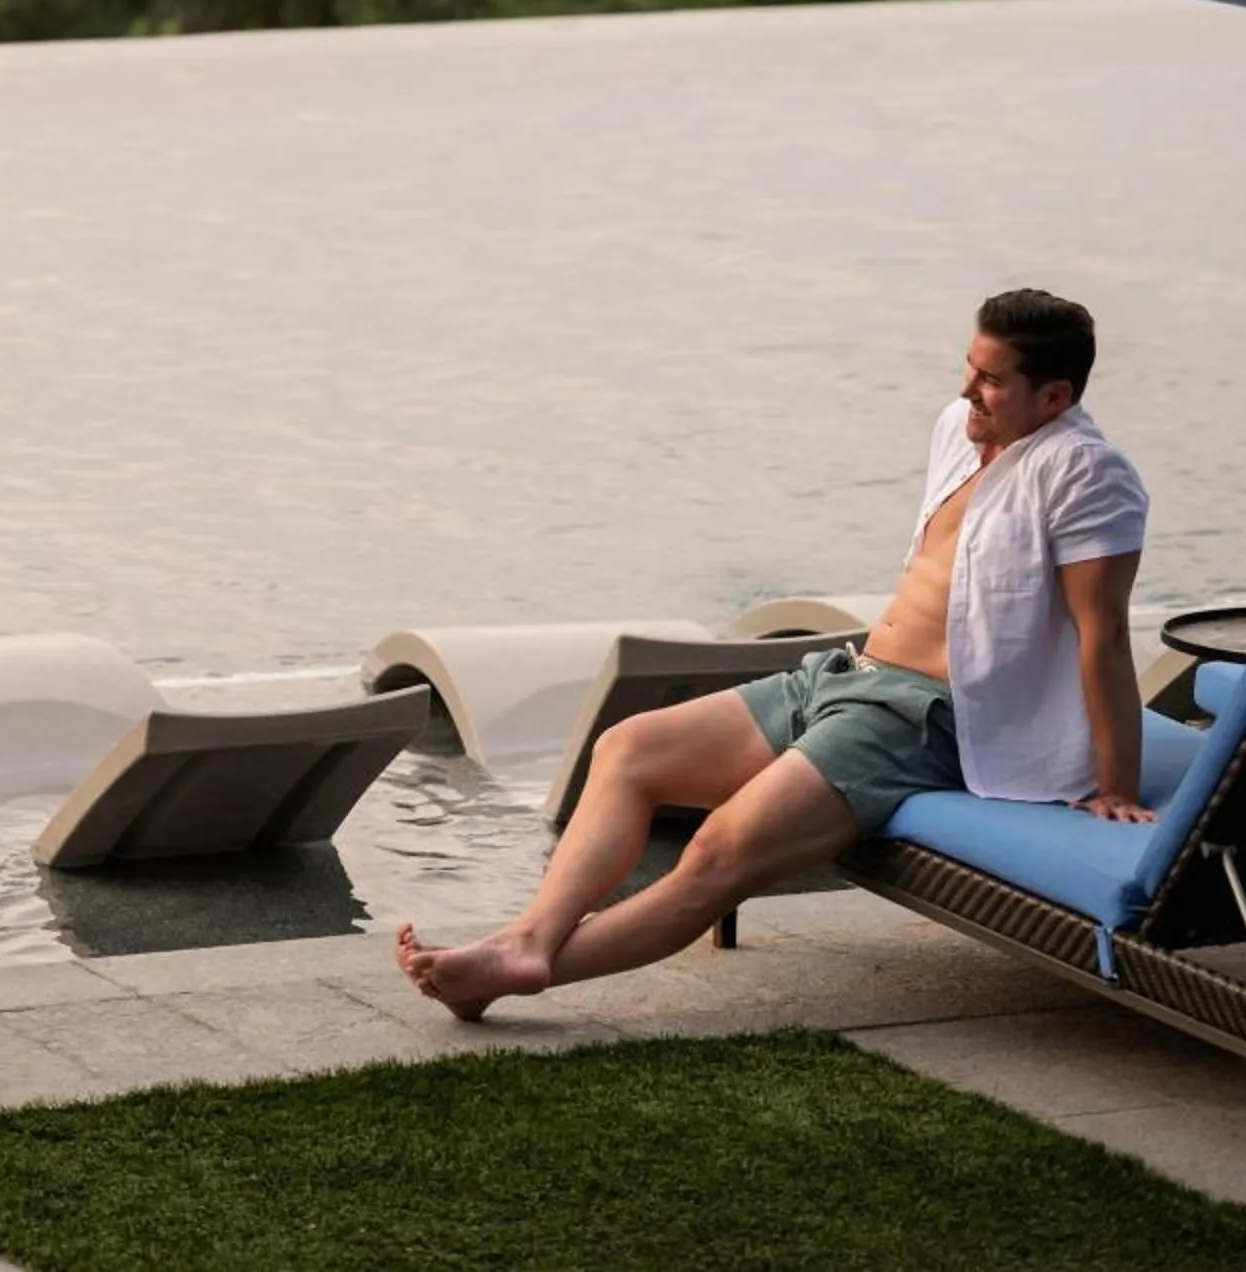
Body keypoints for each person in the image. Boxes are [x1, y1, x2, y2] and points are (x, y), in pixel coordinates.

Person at [400, 288, 1151, 1019]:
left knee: (720, 850)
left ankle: (511, 971)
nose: (967, 391)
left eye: (991, 379)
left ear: (1053, 397)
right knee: (627, 749)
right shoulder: (963, 430)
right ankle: (524, 941)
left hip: (925, 718)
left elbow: (1105, 634)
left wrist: (1115, 784)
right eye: (969, 366)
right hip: (848, 675)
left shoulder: (1086, 474)